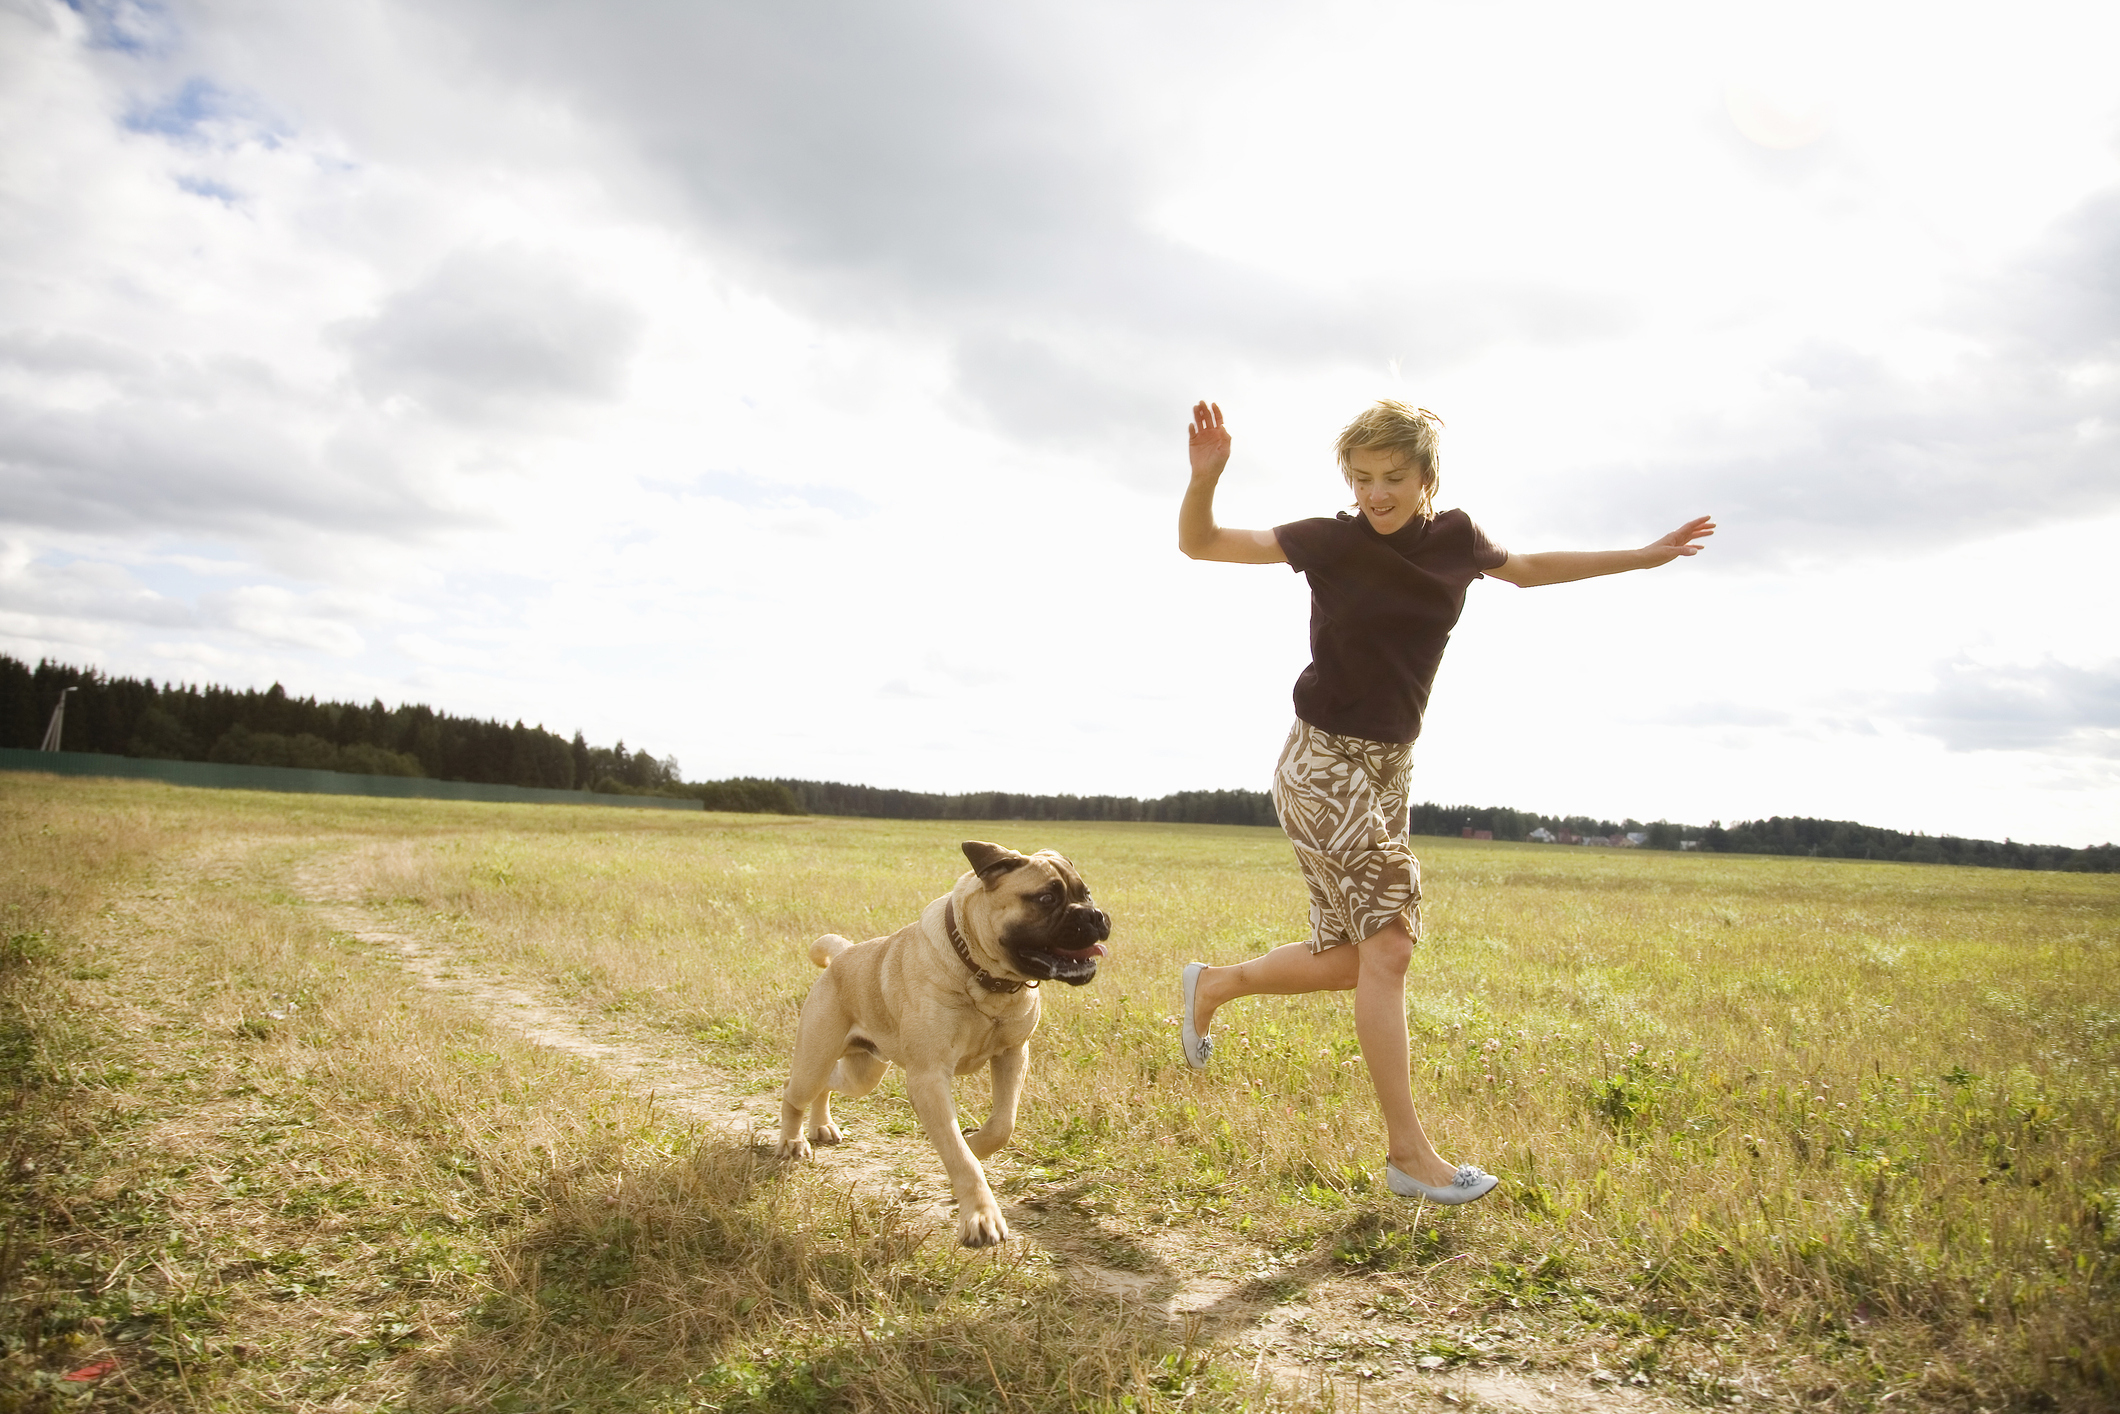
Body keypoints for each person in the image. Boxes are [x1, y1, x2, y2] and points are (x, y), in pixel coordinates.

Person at [1175, 398, 1714, 1205]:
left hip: (1391, 770)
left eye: (1393, 477)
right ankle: (1409, 1156)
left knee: (1356, 959)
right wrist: (1205, 480)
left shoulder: (1456, 539)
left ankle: (1214, 985)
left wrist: (1641, 558)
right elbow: (1203, 543)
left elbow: (1530, 569)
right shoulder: (1330, 539)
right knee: (1390, 946)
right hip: (1322, 761)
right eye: (1362, 478)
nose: (1376, 494)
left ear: (1427, 477)